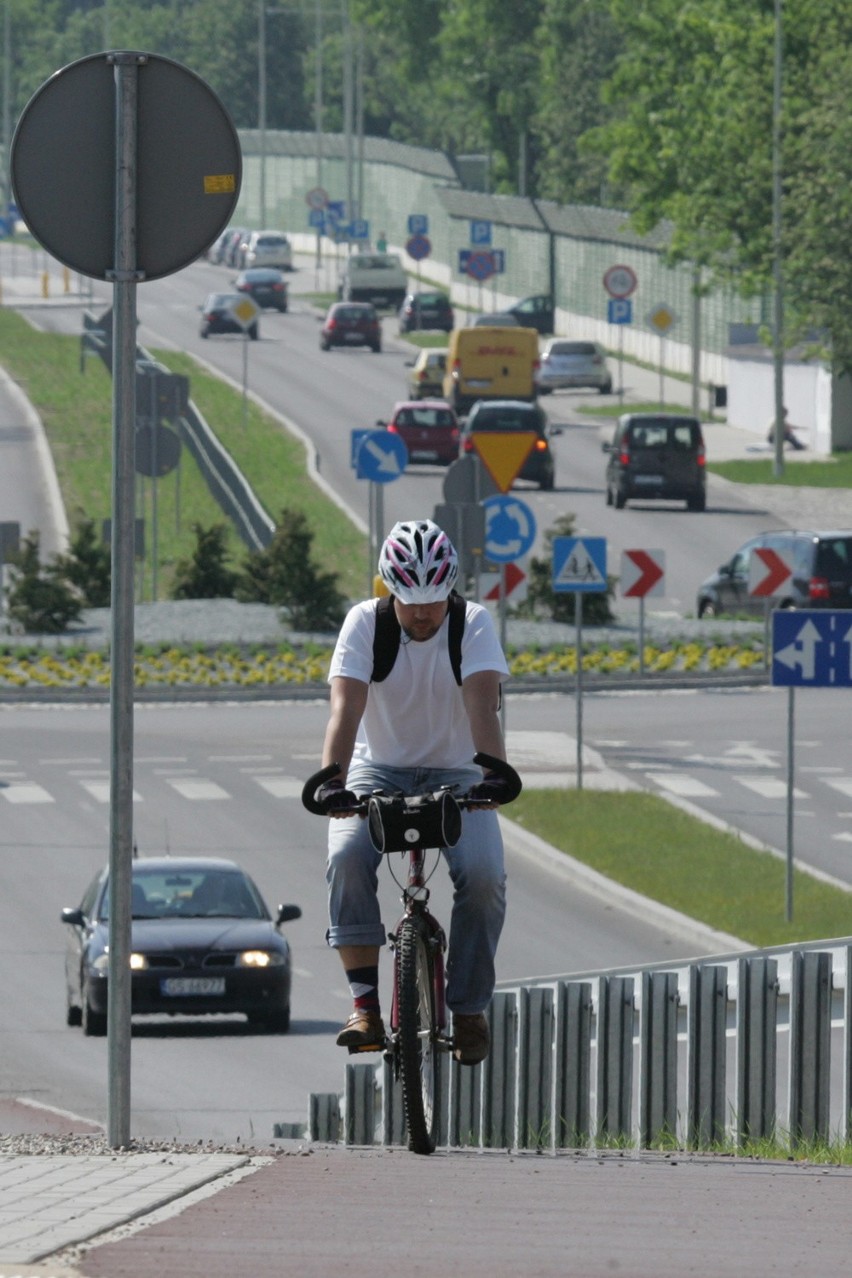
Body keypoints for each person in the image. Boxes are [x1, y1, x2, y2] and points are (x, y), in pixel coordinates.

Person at [313, 518, 515, 1066]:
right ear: (388, 589)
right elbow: (345, 709)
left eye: (433, 599)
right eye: (409, 600)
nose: (423, 612)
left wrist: (494, 770)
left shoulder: (471, 624)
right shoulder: (363, 624)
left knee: (483, 875)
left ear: (450, 589)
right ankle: (364, 1007)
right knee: (347, 855)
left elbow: (481, 703)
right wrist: (332, 781)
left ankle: (469, 1009)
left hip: (459, 773)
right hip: (378, 769)